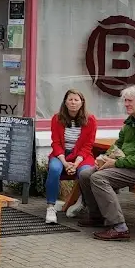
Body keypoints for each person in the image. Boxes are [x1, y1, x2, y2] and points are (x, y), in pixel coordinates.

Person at [77, 85, 135, 241]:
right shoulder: (131, 122)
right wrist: (105, 158)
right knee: (85, 174)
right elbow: (118, 145)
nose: (126, 104)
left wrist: (115, 163)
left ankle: (119, 227)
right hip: (128, 165)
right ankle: (98, 216)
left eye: (130, 101)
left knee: (99, 178)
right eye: (125, 101)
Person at [45, 90, 97, 224]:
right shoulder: (57, 118)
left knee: (85, 173)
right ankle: (51, 207)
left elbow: (88, 145)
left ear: (82, 103)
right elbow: (55, 143)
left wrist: (76, 163)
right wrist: (64, 162)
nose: (73, 103)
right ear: (65, 102)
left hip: (81, 155)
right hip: (61, 154)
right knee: (55, 169)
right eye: (70, 100)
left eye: (76, 100)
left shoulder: (90, 120)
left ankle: (82, 202)